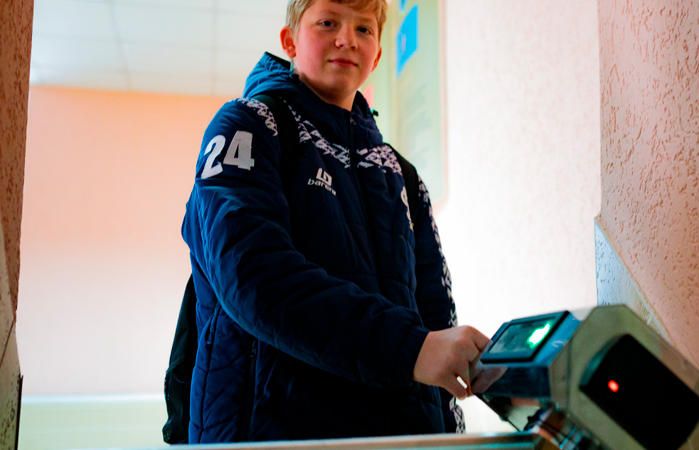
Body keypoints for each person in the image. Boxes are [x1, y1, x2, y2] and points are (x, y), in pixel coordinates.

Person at [180, 0, 490, 443]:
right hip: (271, 432)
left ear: (378, 55)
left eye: (364, 29)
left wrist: (448, 435)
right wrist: (410, 349)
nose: (347, 39)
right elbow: (252, 277)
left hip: (402, 434)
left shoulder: (401, 174)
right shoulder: (247, 125)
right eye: (328, 22)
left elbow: (436, 317)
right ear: (290, 40)